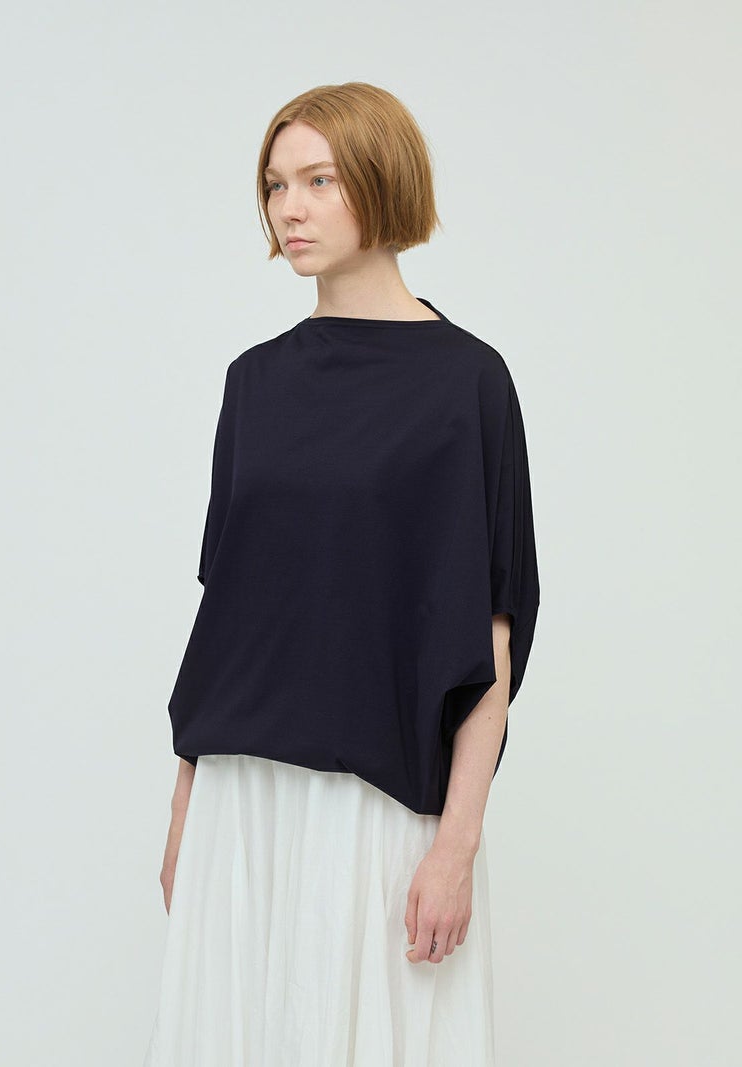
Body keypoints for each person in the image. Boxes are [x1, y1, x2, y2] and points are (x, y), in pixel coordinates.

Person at [143, 81, 540, 1067]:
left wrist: (457, 841)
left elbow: (491, 630)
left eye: (319, 180)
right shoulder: (253, 382)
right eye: (276, 185)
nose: (291, 208)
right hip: (241, 794)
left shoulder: (467, 382)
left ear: (382, 179)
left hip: (375, 802)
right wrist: (186, 809)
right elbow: (227, 612)